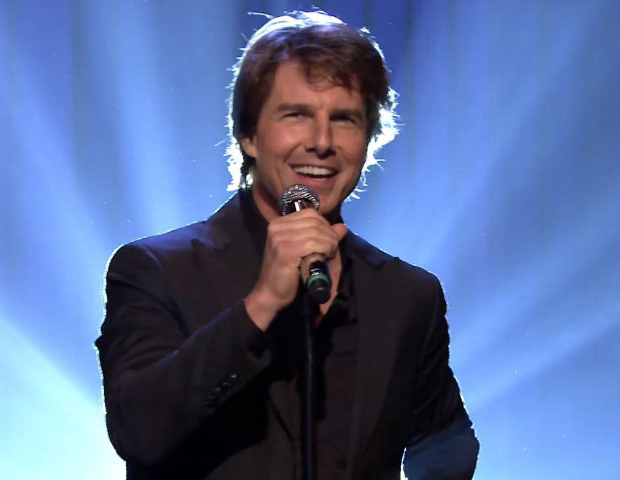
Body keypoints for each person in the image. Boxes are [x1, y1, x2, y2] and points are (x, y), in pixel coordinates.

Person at [96, 10, 479, 480]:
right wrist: (260, 305)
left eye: (344, 119)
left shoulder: (408, 295)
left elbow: (446, 442)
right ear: (249, 135)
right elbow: (138, 431)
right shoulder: (157, 270)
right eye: (296, 115)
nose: (322, 141)